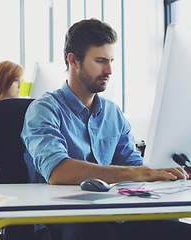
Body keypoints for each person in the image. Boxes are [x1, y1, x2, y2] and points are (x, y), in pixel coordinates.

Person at [21, 18, 191, 240]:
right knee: (93, 232)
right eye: (101, 61)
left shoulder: (113, 113)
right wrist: (137, 173)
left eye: (111, 60)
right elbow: (58, 172)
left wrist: (164, 176)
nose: (109, 70)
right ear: (74, 60)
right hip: (63, 218)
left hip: (113, 212)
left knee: (172, 226)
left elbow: (133, 166)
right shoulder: (44, 109)